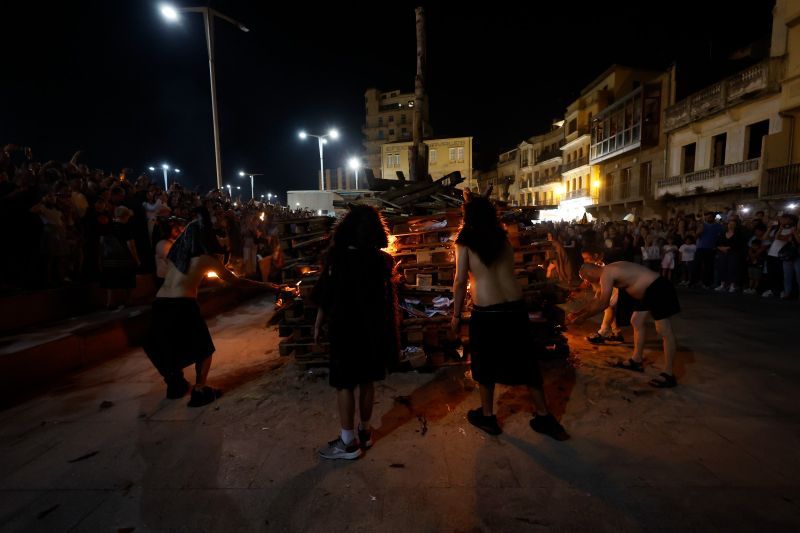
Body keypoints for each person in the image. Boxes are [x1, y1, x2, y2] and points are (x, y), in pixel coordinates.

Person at [144, 206, 286, 407]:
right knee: (204, 349)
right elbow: (236, 282)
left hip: (160, 303)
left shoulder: (178, 254)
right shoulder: (205, 259)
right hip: (182, 304)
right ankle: (200, 390)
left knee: (168, 345)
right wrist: (269, 286)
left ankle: (175, 384)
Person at [451, 194, 568, 439]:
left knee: (484, 363)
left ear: (467, 217)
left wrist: (455, 315)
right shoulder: (503, 239)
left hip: (488, 312)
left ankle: (488, 417)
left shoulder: (465, 242)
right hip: (515, 308)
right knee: (526, 362)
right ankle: (545, 417)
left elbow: (460, 281)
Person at [312, 204, 399, 460]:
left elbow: (327, 295)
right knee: (367, 381)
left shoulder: (338, 258)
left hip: (346, 329)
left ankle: (347, 443)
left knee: (345, 384)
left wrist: (318, 323)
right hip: (373, 330)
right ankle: (365, 432)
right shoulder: (383, 261)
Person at [567, 261, 681, 388]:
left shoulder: (607, 273)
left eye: (586, 278)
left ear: (590, 272)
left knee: (663, 330)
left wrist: (583, 318)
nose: (587, 282)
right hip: (646, 293)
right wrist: (579, 313)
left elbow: (603, 303)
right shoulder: (606, 272)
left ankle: (669, 374)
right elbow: (597, 299)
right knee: (636, 321)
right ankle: (636, 360)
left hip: (658, 287)